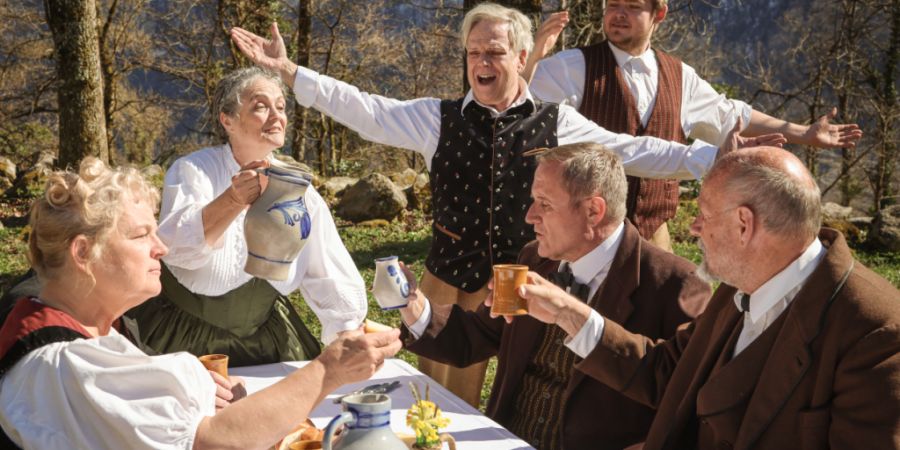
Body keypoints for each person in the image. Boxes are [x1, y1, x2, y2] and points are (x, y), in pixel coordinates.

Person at [229, 2, 781, 406]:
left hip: (527, 279)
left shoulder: (557, 120)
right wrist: (292, 74)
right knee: (441, 402)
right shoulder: (435, 118)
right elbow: (365, 108)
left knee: (529, 391)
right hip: (451, 280)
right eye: (473, 53)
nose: (481, 62)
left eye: (493, 52)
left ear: (522, 56)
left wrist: (708, 159)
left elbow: (632, 150)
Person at [0, 157, 402, 449]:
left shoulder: (91, 334)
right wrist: (329, 369)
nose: (161, 247)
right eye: (141, 235)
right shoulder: (67, 366)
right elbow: (216, 444)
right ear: (84, 253)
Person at [515, 147, 900, 449]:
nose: (694, 228)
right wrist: (569, 314)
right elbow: (666, 372)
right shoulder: (738, 287)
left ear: (744, 224)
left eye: (703, 214)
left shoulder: (875, 330)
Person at [395, 142, 712, 450]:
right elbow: (477, 336)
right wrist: (413, 305)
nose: (530, 216)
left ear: (593, 210)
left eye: (544, 204)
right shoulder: (534, 258)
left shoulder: (677, 283)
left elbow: (688, 394)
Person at [525, 1, 863, 251]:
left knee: (663, 328)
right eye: (613, 5)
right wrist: (534, 55)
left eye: (632, 6)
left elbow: (730, 115)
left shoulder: (679, 75)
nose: (619, 15)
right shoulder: (571, 67)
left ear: (659, 14)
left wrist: (800, 132)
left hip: (654, 230)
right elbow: (522, 104)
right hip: (586, 229)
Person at [127, 67, 369, 366]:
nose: (276, 116)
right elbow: (175, 248)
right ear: (227, 119)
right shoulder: (194, 170)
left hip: (267, 337)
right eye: (261, 106)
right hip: (181, 336)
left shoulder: (299, 191)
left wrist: (347, 330)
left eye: (280, 107)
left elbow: (328, 268)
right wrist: (233, 199)